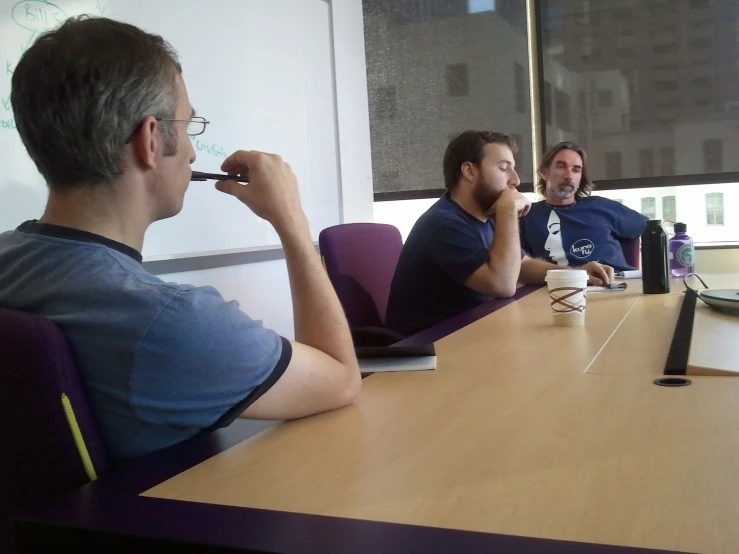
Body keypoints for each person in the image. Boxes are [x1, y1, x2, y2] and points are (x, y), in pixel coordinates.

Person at [0, 17, 360, 463]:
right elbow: (342, 379)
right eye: (188, 125)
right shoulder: (172, 323)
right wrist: (292, 222)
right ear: (151, 140)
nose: (191, 152)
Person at [385, 131, 614, 336]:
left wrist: (575, 273)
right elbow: (502, 285)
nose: (514, 180)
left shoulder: (483, 217)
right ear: (469, 171)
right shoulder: (443, 223)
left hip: (472, 330)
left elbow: (521, 265)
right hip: (431, 346)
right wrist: (507, 210)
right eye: (504, 168)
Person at [520, 142, 647, 272]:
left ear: (580, 178)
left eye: (576, 170)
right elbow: (519, 265)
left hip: (619, 282)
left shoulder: (601, 206)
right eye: (561, 166)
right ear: (544, 173)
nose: (569, 176)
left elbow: (651, 229)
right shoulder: (528, 215)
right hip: (565, 287)